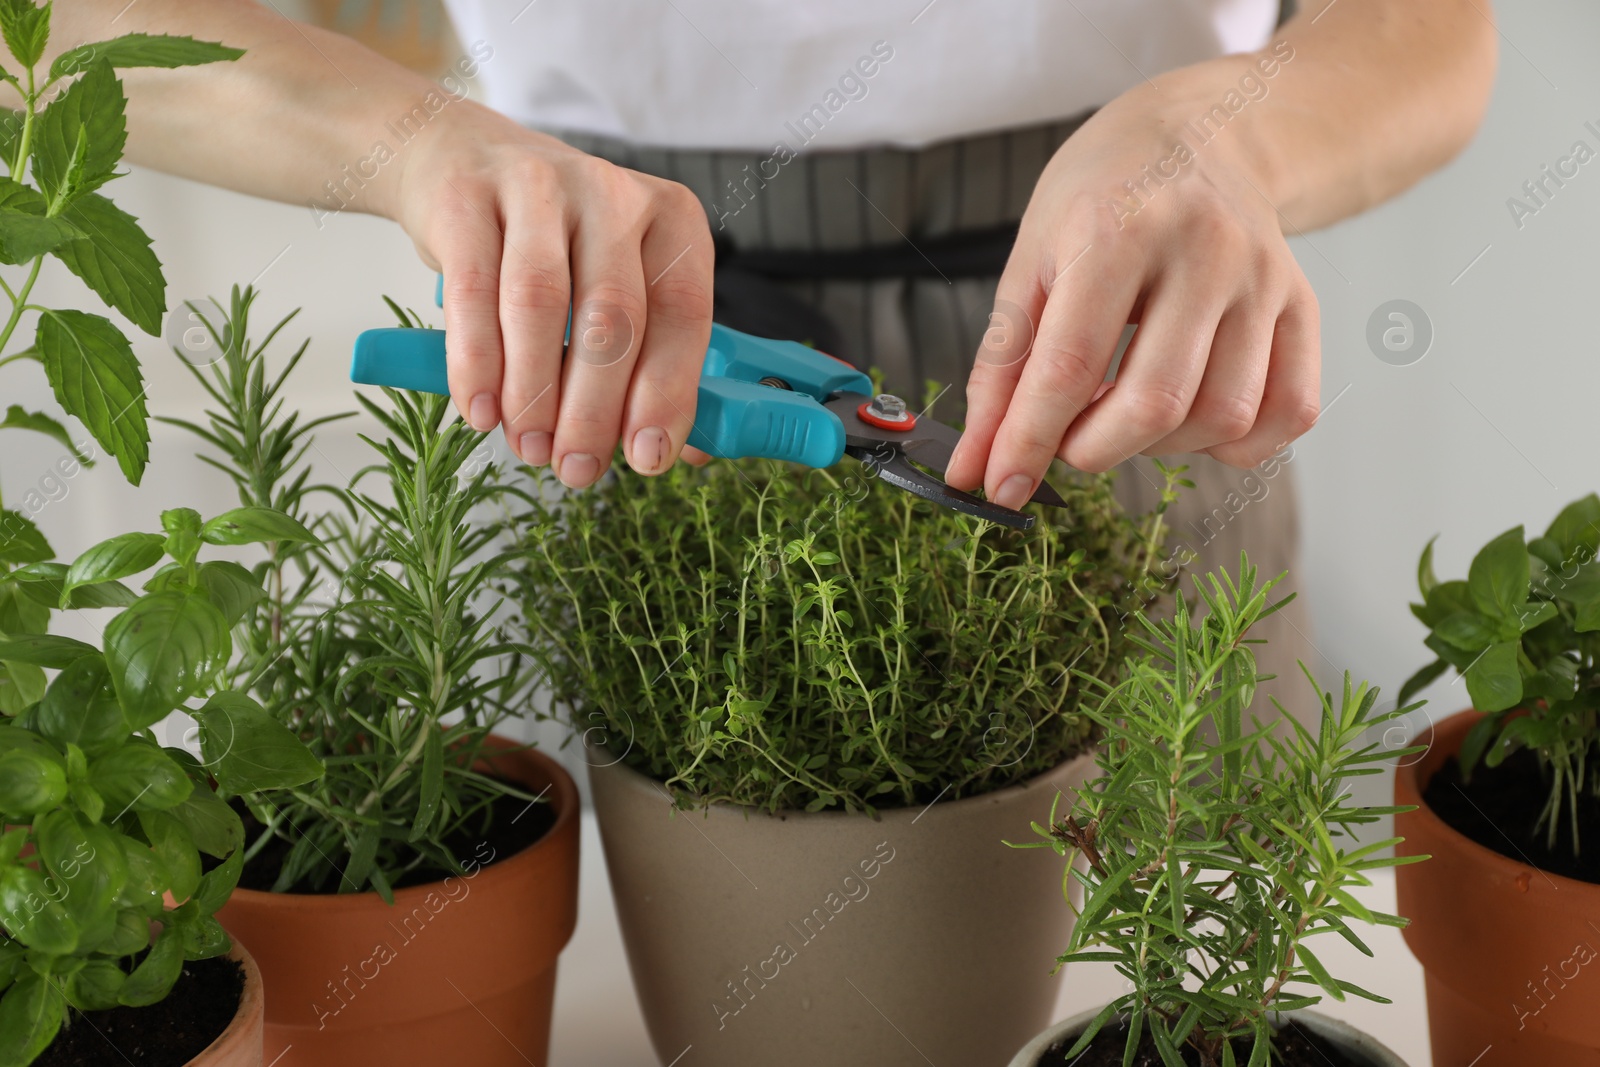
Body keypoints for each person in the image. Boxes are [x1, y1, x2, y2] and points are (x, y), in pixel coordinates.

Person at [57, 0, 1497, 698]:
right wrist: (410, 146)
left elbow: (1433, 29)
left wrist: (1236, 145)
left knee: (1186, 950)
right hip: (617, 344)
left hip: (1126, 358)